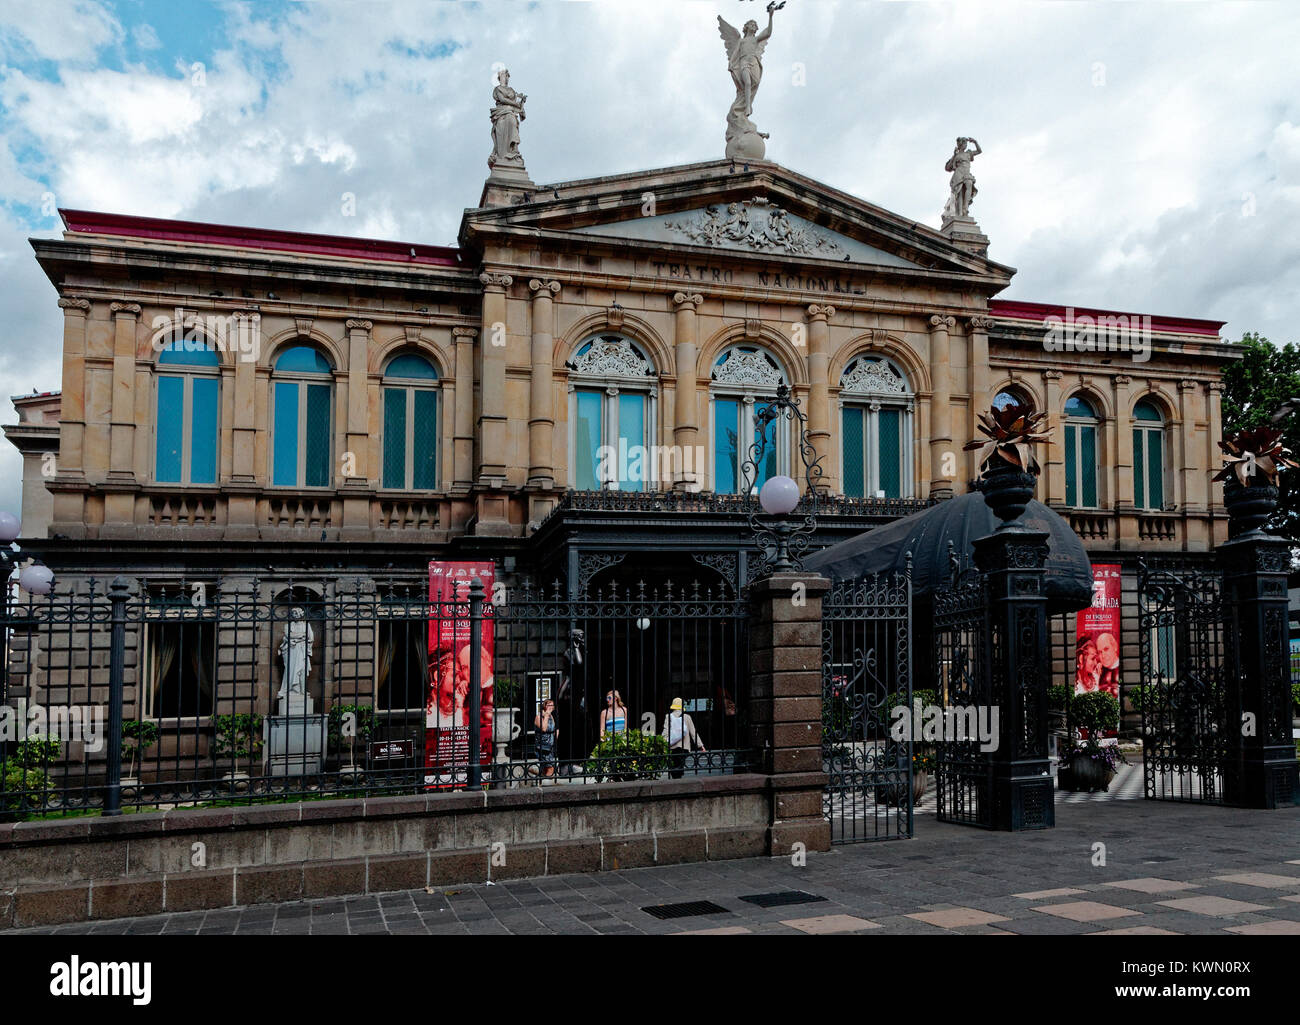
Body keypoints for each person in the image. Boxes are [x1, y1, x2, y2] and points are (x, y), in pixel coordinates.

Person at [662, 697, 705, 779]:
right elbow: (693, 733)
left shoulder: (668, 716)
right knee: (680, 765)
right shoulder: (687, 717)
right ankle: (679, 778)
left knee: (674, 765)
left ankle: (675, 779)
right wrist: (700, 745)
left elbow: (665, 731)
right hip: (684, 748)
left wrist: (662, 743)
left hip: (672, 747)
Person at [533, 699, 558, 778]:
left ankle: (541, 780)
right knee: (550, 767)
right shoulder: (539, 717)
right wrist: (546, 715)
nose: (551, 707)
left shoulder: (551, 717)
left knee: (545, 768)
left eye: (552, 705)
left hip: (550, 745)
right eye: (549, 705)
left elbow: (553, 729)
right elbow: (543, 728)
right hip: (542, 746)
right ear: (544, 706)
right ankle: (547, 786)